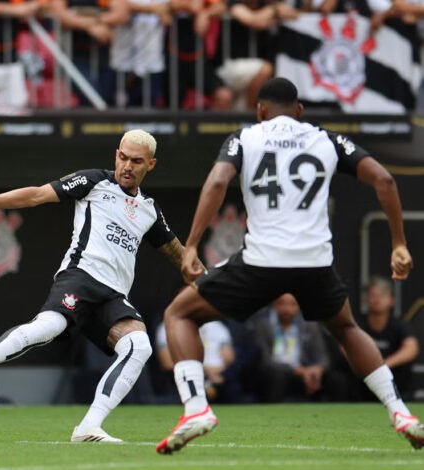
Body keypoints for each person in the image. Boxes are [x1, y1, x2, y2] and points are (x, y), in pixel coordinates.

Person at [156, 77, 421, 454]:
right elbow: (384, 178)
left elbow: (217, 181)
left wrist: (193, 244)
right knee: (346, 328)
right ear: (300, 110)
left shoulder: (245, 136)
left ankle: (196, 408)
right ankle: (401, 413)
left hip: (262, 260)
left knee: (179, 314)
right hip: (314, 261)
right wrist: (398, 243)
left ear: (260, 110)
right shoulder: (325, 138)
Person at [0, 129, 197, 442]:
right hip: (81, 277)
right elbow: (35, 195)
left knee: (139, 346)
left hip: (113, 297)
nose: (127, 165)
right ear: (116, 154)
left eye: (136, 161)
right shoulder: (94, 182)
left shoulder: (149, 211)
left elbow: (179, 254)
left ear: (150, 164)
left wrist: (207, 279)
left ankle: (88, 428)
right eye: (122, 157)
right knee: (49, 326)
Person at [331, 277, 420, 401]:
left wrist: (384, 366)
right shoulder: (356, 323)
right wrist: (368, 367)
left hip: (392, 376)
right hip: (362, 380)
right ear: (366, 299)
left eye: (382, 295)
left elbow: (411, 349)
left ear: (391, 300)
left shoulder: (399, 325)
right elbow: (344, 347)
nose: (377, 299)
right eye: (373, 295)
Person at [249, 293, 329, 402]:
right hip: (275, 372)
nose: (287, 309)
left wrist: (317, 369)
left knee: (335, 380)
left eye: (292, 304)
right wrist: (298, 371)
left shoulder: (309, 325)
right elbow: (265, 360)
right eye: (282, 304)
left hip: (304, 372)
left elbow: (323, 357)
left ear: (299, 306)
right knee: (277, 376)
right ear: (274, 305)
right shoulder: (263, 326)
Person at [157, 320, 235, 402]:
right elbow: (168, 363)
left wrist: (213, 377)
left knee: (231, 387)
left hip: (217, 376)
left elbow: (229, 358)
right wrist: (204, 374)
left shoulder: (217, 326)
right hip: (183, 377)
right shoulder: (169, 325)